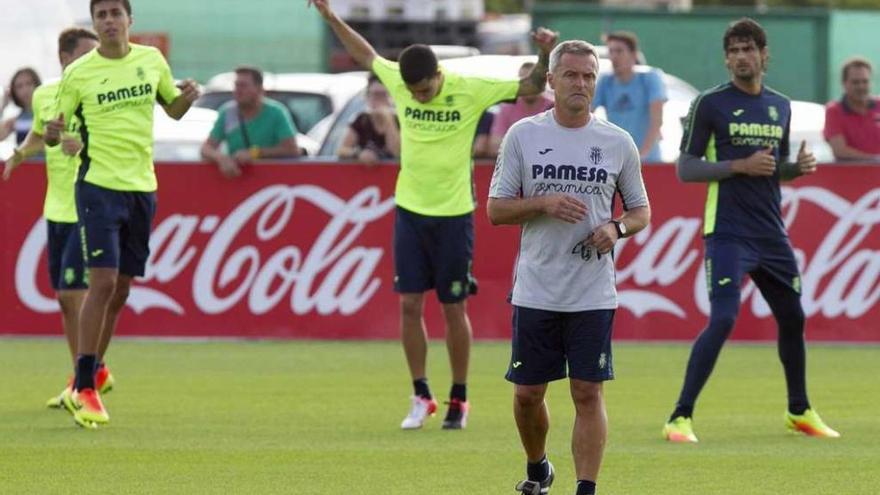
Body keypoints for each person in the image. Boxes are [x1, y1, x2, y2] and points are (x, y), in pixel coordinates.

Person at [308, 0, 558, 430]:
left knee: (452, 307)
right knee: (409, 305)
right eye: (415, 93)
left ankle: (458, 398)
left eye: (425, 90)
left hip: (454, 212)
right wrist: (332, 18)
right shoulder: (402, 82)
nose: (419, 97)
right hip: (410, 209)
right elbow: (365, 54)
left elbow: (532, 85)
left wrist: (543, 53)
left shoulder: (470, 85)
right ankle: (421, 393)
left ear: (438, 76)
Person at [663, 17, 839, 443]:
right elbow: (685, 168)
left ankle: (799, 410)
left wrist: (795, 169)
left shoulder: (780, 105)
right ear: (727, 59)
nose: (741, 56)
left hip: (770, 232)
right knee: (723, 317)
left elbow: (771, 168)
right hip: (727, 231)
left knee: (793, 317)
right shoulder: (710, 104)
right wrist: (738, 166)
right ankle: (679, 417)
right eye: (734, 50)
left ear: (764, 55)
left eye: (749, 48)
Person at [488, 39, 650, 495]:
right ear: (553, 81)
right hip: (537, 287)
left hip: (592, 290)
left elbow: (641, 210)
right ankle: (538, 466)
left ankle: (585, 488)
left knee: (587, 392)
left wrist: (616, 230)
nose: (581, 84)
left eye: (588, 76)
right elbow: (497, 211)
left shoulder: (618, 142)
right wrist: (544, 203)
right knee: (526, 396)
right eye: (572, 75)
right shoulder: (524, 135)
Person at [45, 0, 200, 428]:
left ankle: (91, 372)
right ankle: (84, 387)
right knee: (104, 281)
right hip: (98, 186)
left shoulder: (151, 60)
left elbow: (172, 108)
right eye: (101, 15)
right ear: (94, 23)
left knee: (122, 290)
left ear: (130, 20)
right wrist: (56, 135)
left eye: (116, 13)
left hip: (142, 189)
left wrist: (187, 97)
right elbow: (57, 134)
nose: (109, 21)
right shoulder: (78, 73)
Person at [1, 29, 115, 410]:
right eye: (85, 55)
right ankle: (87, 374)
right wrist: (20, 154)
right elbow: (38, 135)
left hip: (89, 205)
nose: (92, 61)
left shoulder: (100, 94)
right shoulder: (45, 94)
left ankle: (87, 381)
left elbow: (115, 142)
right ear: (64, 58)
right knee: (66, 301)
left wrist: (84, 147)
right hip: (56, 210)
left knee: (73, 294)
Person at [201, 66, 300, 178]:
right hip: (237, 180)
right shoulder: (228, 112)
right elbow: (206, 148)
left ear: (259, 89)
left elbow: (292, 149)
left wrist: (255, 153)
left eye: (243, 85)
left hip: (272, 180)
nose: (238, 90)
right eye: (236, 85)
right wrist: (221, 158)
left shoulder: (276, 112)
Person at [592, 31, 666, 163]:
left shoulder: (649, 78)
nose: (614, 57)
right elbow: (587, 113)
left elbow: (657, 120)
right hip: (617, 162)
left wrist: (642, 155)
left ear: (633, 54)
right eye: (611, 51)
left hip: (648, 162)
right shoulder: (605, 82)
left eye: (619, 51)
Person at [488, 61, 554, 157]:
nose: (528, 85)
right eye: (523, 80)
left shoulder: (554, 106)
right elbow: (495, 146)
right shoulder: (506, 107)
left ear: (544, 81)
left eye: (533, 80)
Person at [823, 57, 880, 161]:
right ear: (844, 83)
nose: (861, 86)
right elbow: (840, 150)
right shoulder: (834, 111)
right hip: (850, 175)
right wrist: (875, 160)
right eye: (855, 82)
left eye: (865, 81)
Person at [336, 73, 400, 163]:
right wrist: (358, 154)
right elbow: (341, 150)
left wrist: (388, 120)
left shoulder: (399, 120)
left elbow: (396, 152)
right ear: (367, 97)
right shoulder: (361, 120)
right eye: (374, 95)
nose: (378, 100)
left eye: (383, 95)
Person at [0, 67, 42, 145]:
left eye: (29, 83)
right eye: (19, 86)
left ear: (37, 85)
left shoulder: (48, 114)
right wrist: (3, 106)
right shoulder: (15, 121)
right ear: (14, 92)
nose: (25, 90)